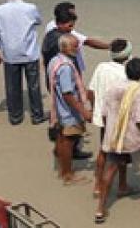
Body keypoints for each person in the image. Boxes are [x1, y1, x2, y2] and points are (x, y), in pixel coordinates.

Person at [94, 57, 140, 224]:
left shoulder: (113, 88)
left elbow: (104, 113)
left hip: (113, 135)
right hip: (131, 137)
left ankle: (111, 197)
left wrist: (109, 131)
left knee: (113, 165)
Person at [0, 0, 44, 125]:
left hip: (10, 53)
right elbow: (39, 21)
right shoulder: (30, 8)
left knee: (12, 86)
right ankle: (37, 116)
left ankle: (15, 117)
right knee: (34, 85)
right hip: (29, 52)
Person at [88, 39, 134, 200]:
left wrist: (95, 109)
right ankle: (122, 185)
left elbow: (91, 92)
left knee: (103, 150)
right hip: (119, 119)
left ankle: (97, 186)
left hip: (102, 117)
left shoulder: (101, 67)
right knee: (120, 153)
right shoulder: (125, 73)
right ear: (127, 55)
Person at [50, 33, 93, 185]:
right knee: (68, 141)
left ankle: (63, 169)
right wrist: (83, 111)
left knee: (62, 139)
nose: (77, 48)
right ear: (65, 47)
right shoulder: (66, 67)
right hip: (68, 111)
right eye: (75, 46)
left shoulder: (55, 60)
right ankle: (67, 174)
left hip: (59, 109)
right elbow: (67, 93)